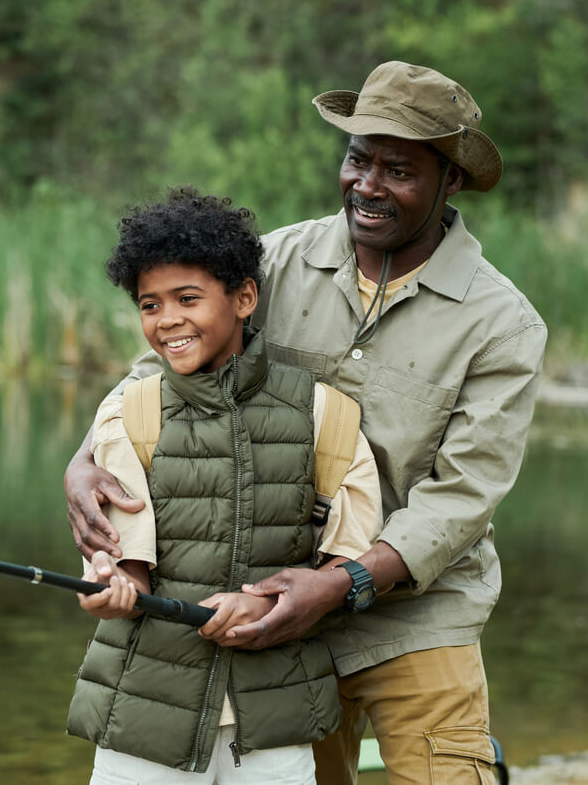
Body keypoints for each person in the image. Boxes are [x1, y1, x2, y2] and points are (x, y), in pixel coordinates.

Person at [64, 62, 547, 785]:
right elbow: (160, 375)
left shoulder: (501, 323)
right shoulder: (277, 260)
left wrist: (343, 581)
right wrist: (81, 461)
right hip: (269, 613)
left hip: (417, 617)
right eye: (358, 160)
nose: (369, 185)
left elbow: (462, 497)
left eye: (399, 170)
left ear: (450, 182)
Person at [66, 187, 385, 784]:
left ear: (244, 298)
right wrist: (107, 585)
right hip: (144, 713)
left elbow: (348, 562)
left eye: (188, 298)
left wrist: (267, 603)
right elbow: (126, 563)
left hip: (275, 715)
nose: (167, 322)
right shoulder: (127, 415)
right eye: (149, 305)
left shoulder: (329, 416)